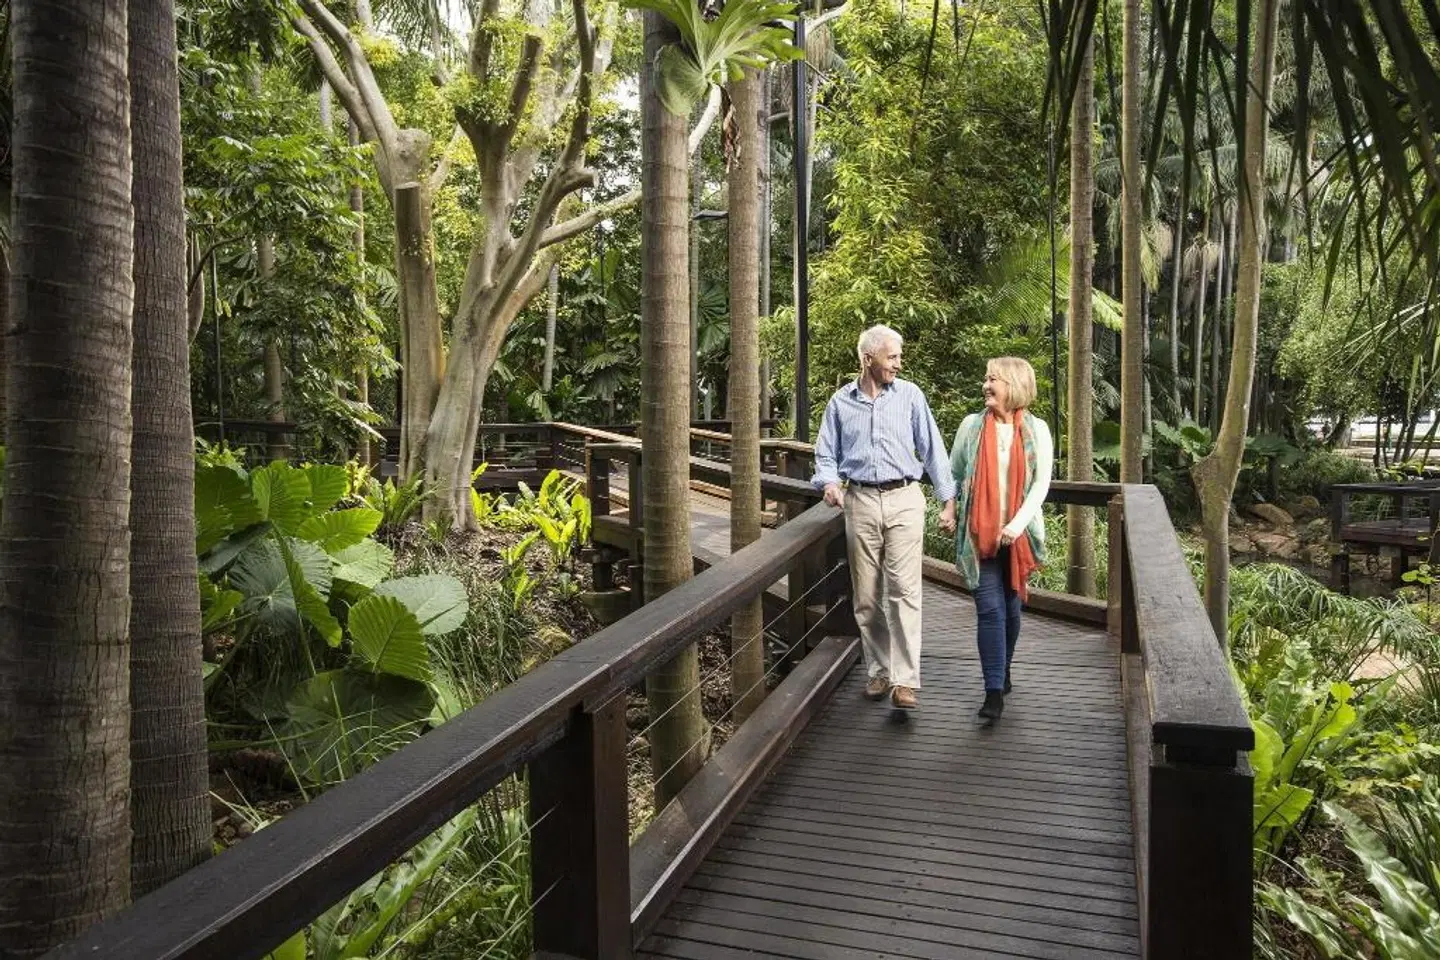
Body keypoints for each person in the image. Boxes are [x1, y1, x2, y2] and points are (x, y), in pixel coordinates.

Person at [812, 324, 956, 710]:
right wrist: (829, 482)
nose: (898, 363)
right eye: (892, 356)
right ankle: (879, 670)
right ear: (868, 358)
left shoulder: (910, 396)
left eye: (898, 356)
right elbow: (825, 454)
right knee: (866, 595)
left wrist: (948, 500)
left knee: (904, 592)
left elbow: (933, 450)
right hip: (859, 500)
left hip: (904, 498)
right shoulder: (840, 403)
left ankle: (905, 681)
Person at [948, 356, 1053, 720]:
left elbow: (1041, 484)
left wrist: (1017, 525)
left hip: (1019, 538)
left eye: (993, 379)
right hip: (979, 534)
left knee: (1011, 608)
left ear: (1013, 386)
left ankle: (1003, 666)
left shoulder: (1037, 430)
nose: (986, 385)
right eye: (986, 378)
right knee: (990, 609)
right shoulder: (971, 426)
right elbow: (955, 474)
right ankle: (993, 691)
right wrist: (949, 510)